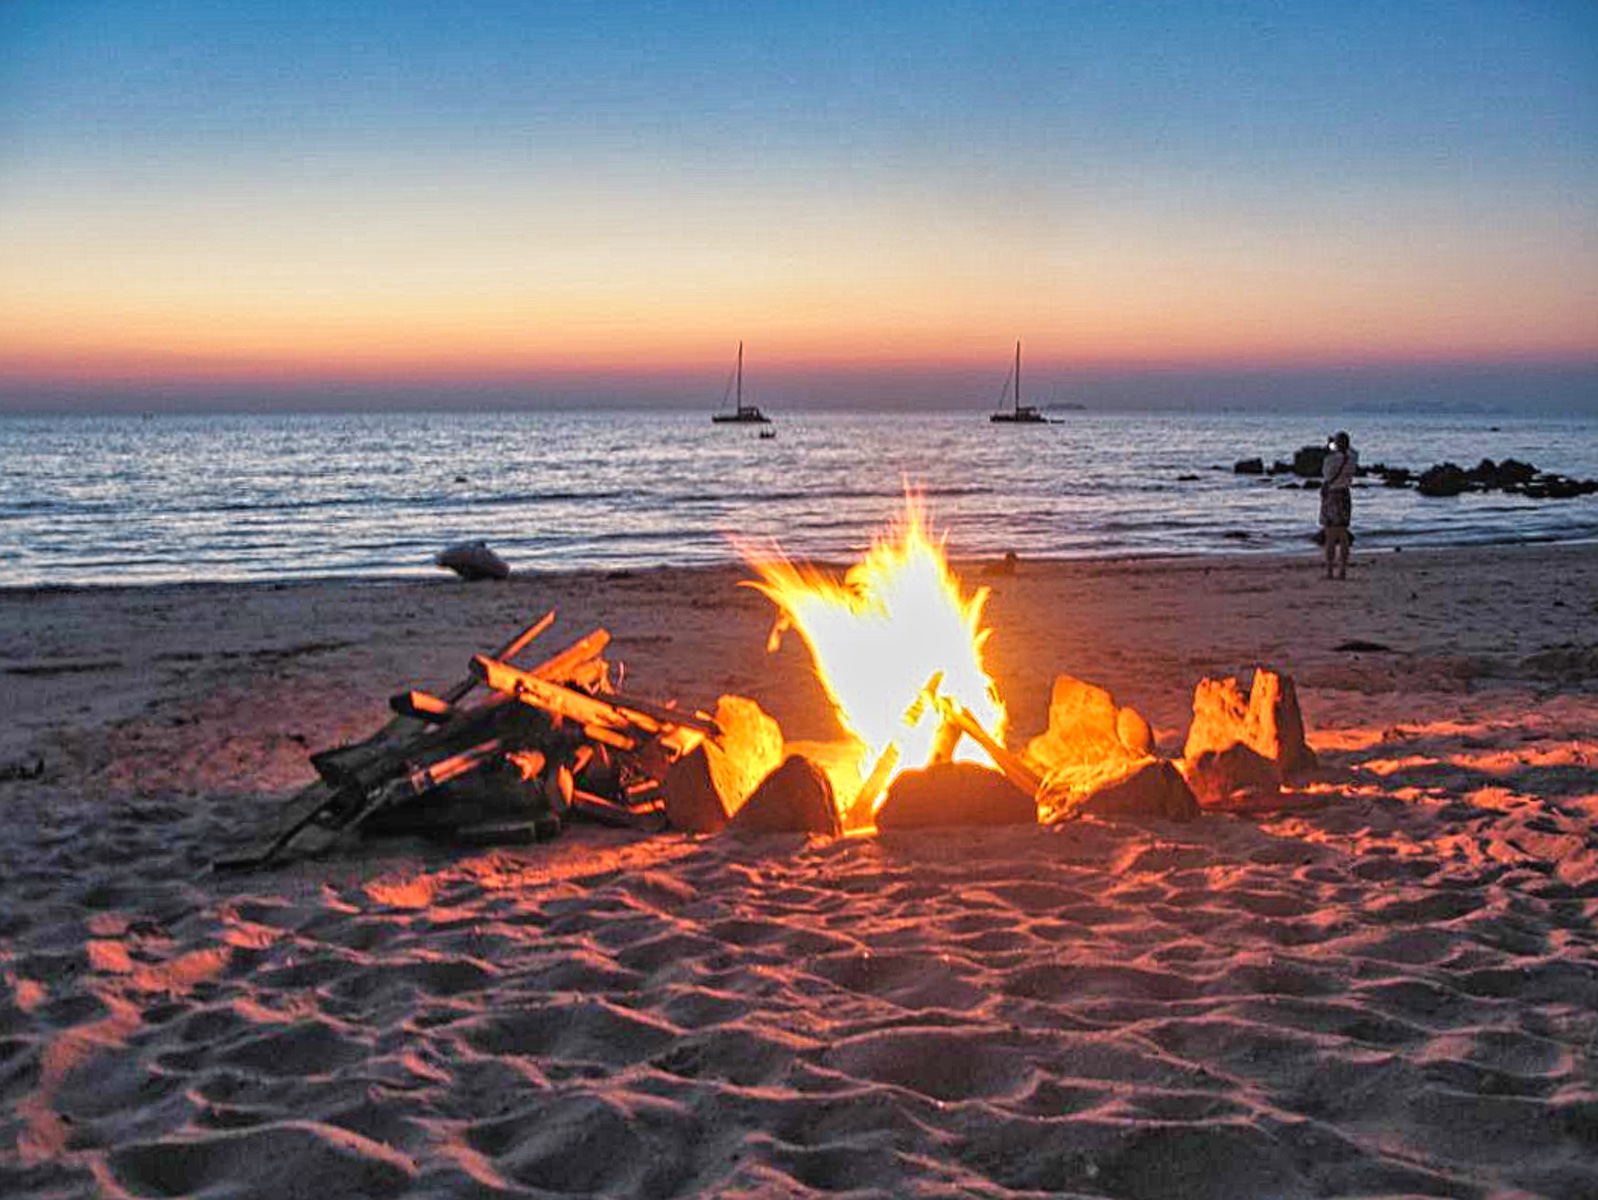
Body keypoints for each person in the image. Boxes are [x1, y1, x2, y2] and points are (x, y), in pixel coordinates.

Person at [1319, 430, 1357, 579]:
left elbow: (1326, 474)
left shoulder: (1331, 459)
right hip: (1345, 494)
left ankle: (1329, 571)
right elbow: (1351, 450)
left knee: (1330, 535)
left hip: (1332, 495)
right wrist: (1338, 445)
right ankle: (1342, 570)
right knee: (1343, 535)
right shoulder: (1353, 457)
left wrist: (1330, 448)